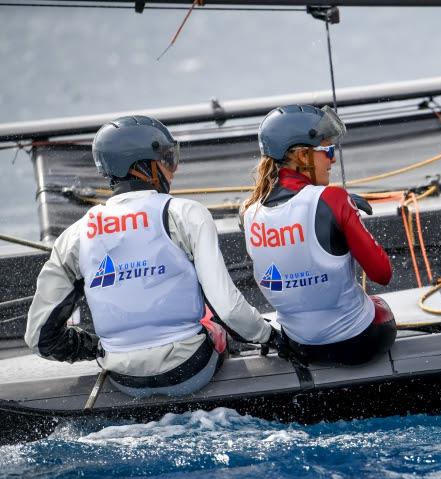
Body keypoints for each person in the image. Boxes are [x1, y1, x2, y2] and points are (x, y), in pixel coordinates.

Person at [25, 115, 275, 397]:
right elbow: (227, 310)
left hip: (124, 379)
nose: (172, 170)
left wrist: (94, 346)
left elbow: (40, 337)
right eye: (168, 160)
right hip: (190, 370)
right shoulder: (185, 213)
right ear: (146, 166)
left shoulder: (74, 235)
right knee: (213, 324)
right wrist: (270, 336)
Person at [241, 104, 395, 366]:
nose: (333, 159)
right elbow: (383, 274)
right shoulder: (333, 200)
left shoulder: (248, 212)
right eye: (327, 150)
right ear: (302, 156)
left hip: (300, 346)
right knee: (378, 304)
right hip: (357, 343)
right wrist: (346, 210)